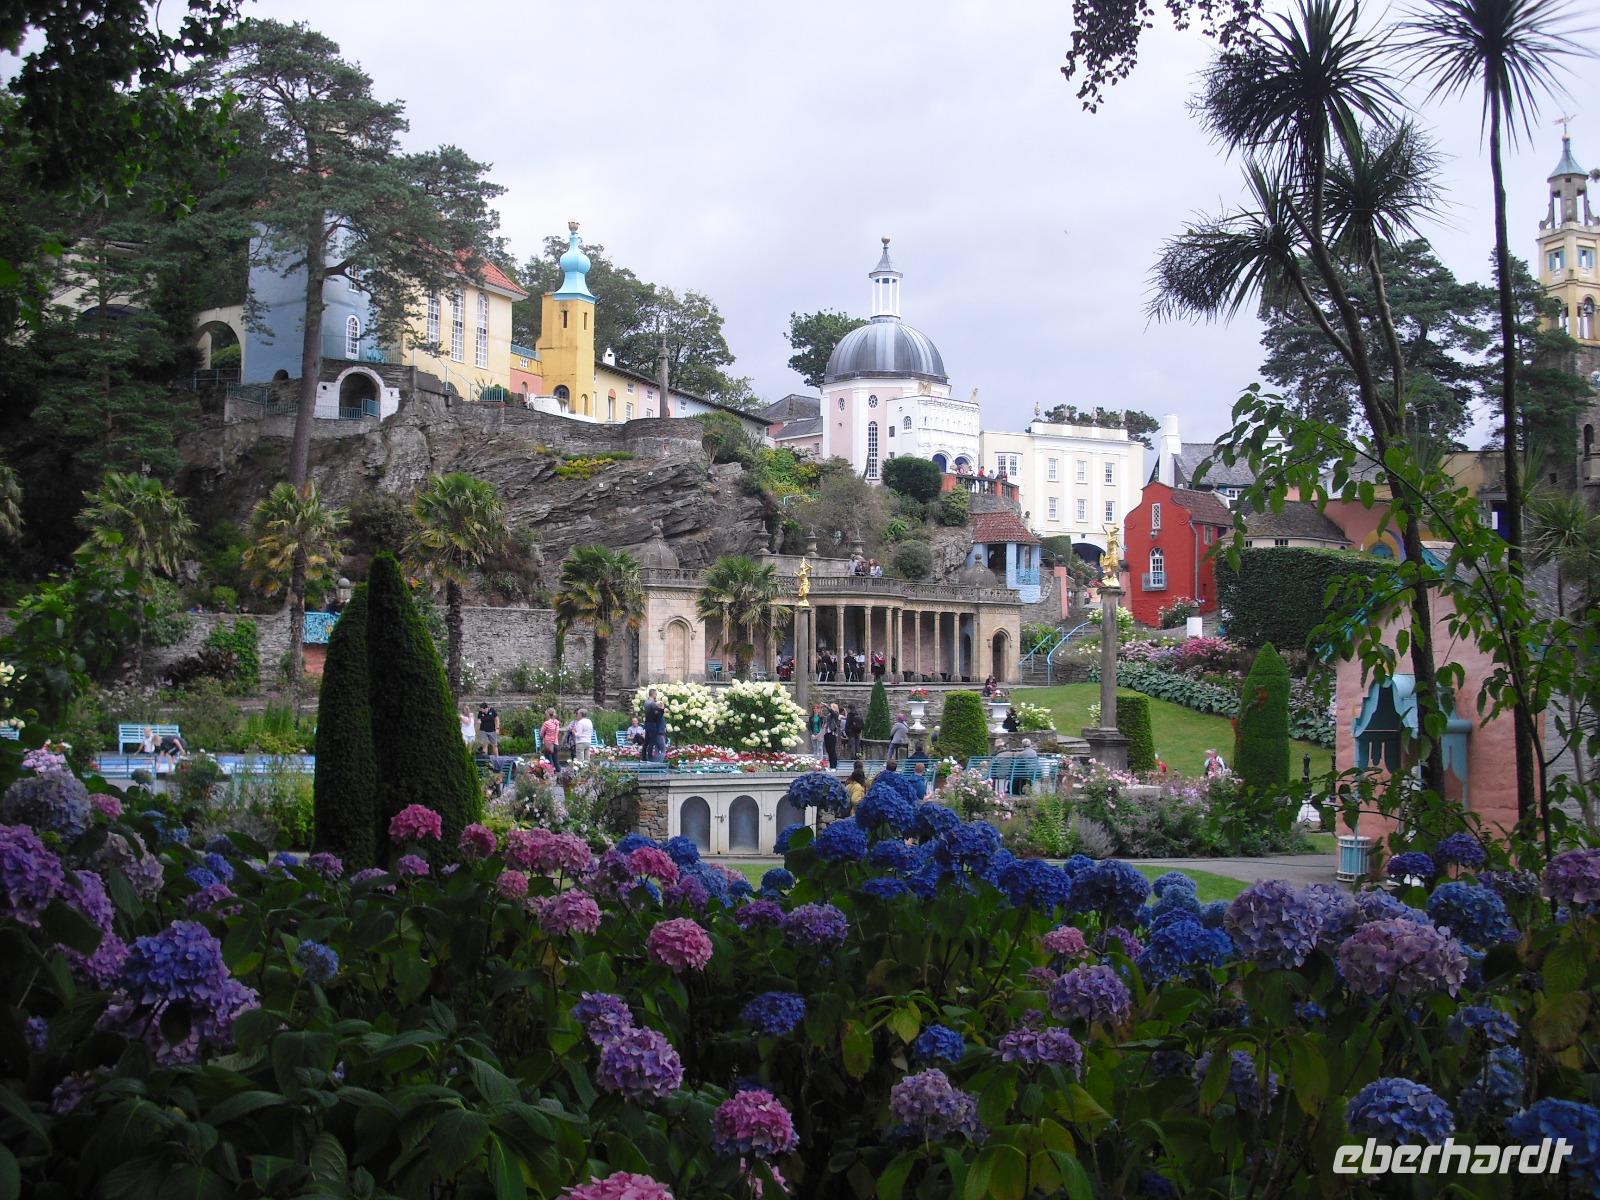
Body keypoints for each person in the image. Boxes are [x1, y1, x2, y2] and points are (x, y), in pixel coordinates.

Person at [642, 689, 667, 762]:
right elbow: (658, 712)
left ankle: (643, 757)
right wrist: (662, 709)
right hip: (652, 724)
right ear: (653, 694)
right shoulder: (652, 703)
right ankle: (650, 758)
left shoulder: (646, 702)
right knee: (652, 742)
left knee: (646, 742)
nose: (656, 696)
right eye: (656, 694)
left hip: (647, 724)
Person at [823, 704, 841, 768]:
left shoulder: (836, 714)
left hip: (832, 733)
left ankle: (834, 766)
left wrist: (826, 706)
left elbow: (832, 712)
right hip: (827, 733)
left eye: (832, 707)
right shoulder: (829, 715)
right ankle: (831, 765)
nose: (830, 708)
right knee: (828, 750)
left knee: (832, 750)